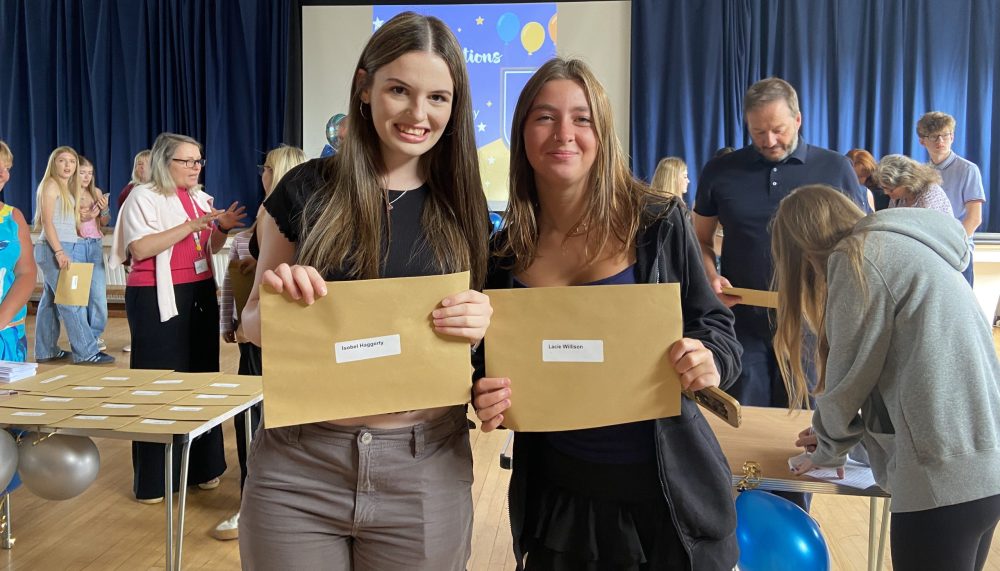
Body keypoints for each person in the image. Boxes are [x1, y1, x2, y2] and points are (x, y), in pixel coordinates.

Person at [238, 12, 492, 569]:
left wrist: (482, 323)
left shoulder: (466, 206)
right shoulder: (307, 188)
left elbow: (480, 352)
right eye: (399, 90)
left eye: (438, 98)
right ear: (364, 87)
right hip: (300, 465)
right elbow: (249, 325)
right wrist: (281, 300)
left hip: (426, 464)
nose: (418, 114)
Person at [472, 57, 742, 571]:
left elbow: (715, 326)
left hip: (670, 499)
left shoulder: (658, 223)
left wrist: (709, 359)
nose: (563, 134)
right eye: (544, 117)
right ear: (522, 131)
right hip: (560, 502)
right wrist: (485, 392)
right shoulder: (503, 254)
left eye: (582, 118)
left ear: (604, 132)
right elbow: (487, 364)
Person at [772, 185, 1000, 571]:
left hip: (940, 476)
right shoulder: (910, 247)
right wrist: (843, 435)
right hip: (983, 465)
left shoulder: (858, 255)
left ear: (801, 247)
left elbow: (849, 375)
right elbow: (908, 374)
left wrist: (830, 445)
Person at [692, 77, 865, 409]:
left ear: (798, 120)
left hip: (811, 323)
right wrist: (709, 275)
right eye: (758, 132)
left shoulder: (835, 167)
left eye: (779, 129)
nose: (769, 141)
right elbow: (699, 239)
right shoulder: (721, 170)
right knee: (744, 417)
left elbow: (860, 244)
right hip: (740, 321)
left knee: (806, 422)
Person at [110, 132, 246, 503]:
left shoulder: (200, 197)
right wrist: (191, 226)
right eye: (186, 161)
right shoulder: (143, 196)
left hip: (199, 290)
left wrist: (219, 229)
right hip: (156, 295)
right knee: (159, 382)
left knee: (201, 377)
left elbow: (208, 248)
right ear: (162, 162)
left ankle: (204, 466)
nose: (195, 167)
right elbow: (140, 248)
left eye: (198, 160)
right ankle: (156, 479)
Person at [211, 144, 307, 541]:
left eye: (266, 167)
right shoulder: (264, 222)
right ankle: (258, 500)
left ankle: (260, 503)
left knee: (265, 418)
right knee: (260, 417)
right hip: (267, 335)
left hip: (278, 336)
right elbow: (240, 281)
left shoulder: (284, 214)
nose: (261, 173)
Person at [33, 146, 114, 365]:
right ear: (54, 163)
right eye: (62, 161)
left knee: (50, 301)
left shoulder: (66, 188)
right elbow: (47, 222)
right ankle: (87, 352)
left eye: (71, 161)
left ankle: (46, 350)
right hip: (56, 247)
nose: (68, 165)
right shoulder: (50, 185)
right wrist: (59, 251)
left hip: (67, 244)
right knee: (72, 302)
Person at [916, 111, 984, 285]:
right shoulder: (921, 173)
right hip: (930, 253)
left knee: (959, 311)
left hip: (957, 253)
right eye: (933, 136)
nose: (940, 141)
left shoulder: (968, 169)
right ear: (922, 140)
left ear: (952, 137)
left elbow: (974, 218)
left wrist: (949, 246)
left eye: (945, 135)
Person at [0, 140, 36, 361]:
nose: (3, 174)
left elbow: (26, 273)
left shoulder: (14, 217)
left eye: (6, 168)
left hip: (8, 333)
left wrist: (2, 319)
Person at [76, 156, 111, 351]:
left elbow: (105, 221)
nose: (87, 177)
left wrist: (104, 209)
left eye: (90, 173)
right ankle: (82, 337)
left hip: (95, 244)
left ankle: (95, 335)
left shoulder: (96, 192)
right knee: (79, 295)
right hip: (77, 245)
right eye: (82, 172)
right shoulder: (67, 193)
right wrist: (82, 216)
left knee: (97, 294)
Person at [873, 154, 953, 215]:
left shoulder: (930, 194)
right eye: (883, 188)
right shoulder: (897, 197)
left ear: (906, 181)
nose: (886, 192)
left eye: (891, 189)